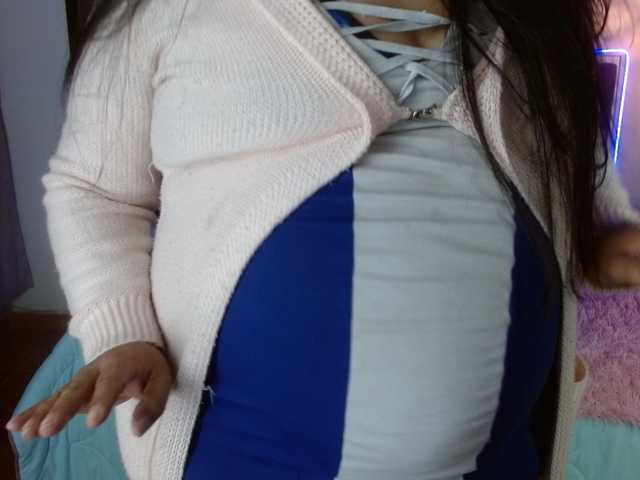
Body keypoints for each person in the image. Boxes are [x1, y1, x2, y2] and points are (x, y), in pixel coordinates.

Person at [6, 0, 640, 479]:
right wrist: (123, 331)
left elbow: (569, 158)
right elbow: (94, 189)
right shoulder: (167, 13)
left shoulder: (533, 26)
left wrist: (603, 232)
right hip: (238, 455)